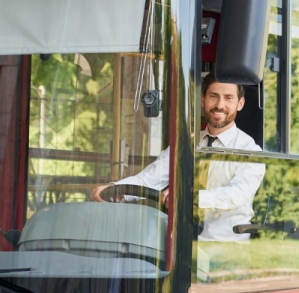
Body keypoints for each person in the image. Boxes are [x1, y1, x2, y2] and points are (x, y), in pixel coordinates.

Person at [91, 74, 266, 242]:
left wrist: (187, 197)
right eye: (214, 96)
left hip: (224, 251)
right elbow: (151, 178)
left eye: (228, 98)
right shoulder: (186, 143)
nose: (219, 105)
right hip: (180, 248)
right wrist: (115, 188)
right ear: (203, 100)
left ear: (240, 103)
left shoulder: (249, 150)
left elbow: (236, 195)